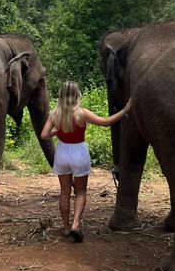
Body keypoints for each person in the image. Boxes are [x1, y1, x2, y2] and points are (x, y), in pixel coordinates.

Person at [40, 81, 132, 242]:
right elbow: (105, 122)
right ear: (77, 95)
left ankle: (67, 228)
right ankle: (76, 224)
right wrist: (125, 110)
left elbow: (44, 135)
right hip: (79, 152)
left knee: (64, 193)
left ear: (61, 96)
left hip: (62, 153)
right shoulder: (81, 113)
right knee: (81, 192)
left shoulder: (55, 114)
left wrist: (56, 131)